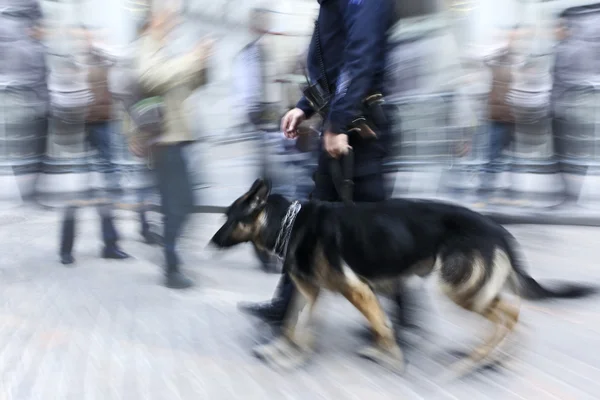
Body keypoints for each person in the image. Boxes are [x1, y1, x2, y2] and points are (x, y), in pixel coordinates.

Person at [237, 0, 413, 330]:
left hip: (361, 128)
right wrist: (304, 107)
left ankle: (405, 319)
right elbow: (331, 63)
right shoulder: (333, 4)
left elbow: (360, 58)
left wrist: (337, 123)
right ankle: (287, 305)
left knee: (375, 228)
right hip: (343, 124)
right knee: (310, 220)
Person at [127, 8, 213, 289]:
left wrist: (202, 63)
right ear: (156, 19)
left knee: (178, 204)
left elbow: (191, 84)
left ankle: (170, 259)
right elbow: (149, 77)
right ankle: (171, 266)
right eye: (170, 16)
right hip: (163, 141)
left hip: (174, 138)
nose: (174, 22)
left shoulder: (163, 49)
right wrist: (192, 58)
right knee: (181, 203)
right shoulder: (146, 45)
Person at [59, 28, 131, 265]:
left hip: (104, 129)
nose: (87, 40)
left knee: (107, 191)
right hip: (79, 132)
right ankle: (66, 249)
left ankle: (110, 245)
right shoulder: (69, 64)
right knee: (73, 194)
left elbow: (123, 80)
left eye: (90, 36)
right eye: (82, 37)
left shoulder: (105, 61)